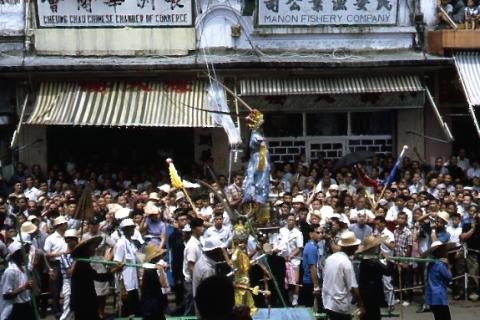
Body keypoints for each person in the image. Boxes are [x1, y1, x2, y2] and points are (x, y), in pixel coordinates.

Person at [70, 234, 123, 320]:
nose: (95, 249)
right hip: (83, 302)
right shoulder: (82, 264)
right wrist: (115, 269)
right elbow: (99, 277)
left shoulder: (85, 262)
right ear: (86, 250)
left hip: (84, 301)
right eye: (93, 247)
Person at [322, 231, 364, 320]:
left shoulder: (330, 258)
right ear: (351, 248)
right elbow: (353, 287)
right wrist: (360, 304)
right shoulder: (346, 263)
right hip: (339, 305)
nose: (357, 248)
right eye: (355, 247)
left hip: (328, 302)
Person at [357, 235, 390, 320]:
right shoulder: (373, 262)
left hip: (365, 292)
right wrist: (387, 260)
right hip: (373, 293)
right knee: (374, 315)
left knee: (368, 314)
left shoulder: (364, 261)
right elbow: (387, 272)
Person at [0, 241, 35, 320]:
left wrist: (30, 287)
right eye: (22, 252)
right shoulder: (10, 271)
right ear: (16, 255)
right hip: (16, 309)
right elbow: (6, 295)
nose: (26, 254)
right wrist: (24, 287)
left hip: (27, 306)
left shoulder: (24, 269)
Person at [114, 218, 141, 317]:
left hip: (133, 283)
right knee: (126, 312)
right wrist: (122, 287)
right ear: (124, 230)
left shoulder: (132, 243)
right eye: (129, 228)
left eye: (133, 228)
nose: (132, 230)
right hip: (125, 284)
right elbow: (118, 265)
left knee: (135, 311)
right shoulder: (121, 244)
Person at [44, 215, 68, 318]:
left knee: (67, 287)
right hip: (56, 264)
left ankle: (67, 309)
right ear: (59, 225)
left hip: (67, 264)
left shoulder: (68, 236)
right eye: (64, 224)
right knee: (56, 289)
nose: (66, 225)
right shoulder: (51, 238)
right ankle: (56, 310)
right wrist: (49, 269)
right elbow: (47, 255)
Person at [192, 237, 226, 311]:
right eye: (220, 250)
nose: (222, 253)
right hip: (207, 309)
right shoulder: (207, 270)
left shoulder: (202, 260)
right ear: (214, 251)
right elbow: (210, 294)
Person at [424, 241, 454, 320]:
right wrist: (448, 266)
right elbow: (449, 277)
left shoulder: (431, 264)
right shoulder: (440, 265)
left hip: (432, 297)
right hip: (439, 297)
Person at [278, 213, 303, 306]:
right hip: (283, 259)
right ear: (287, 221)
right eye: (289, 220)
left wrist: (291, 255)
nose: (291, 221)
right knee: (286, 281)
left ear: (295, 221)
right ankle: (288, 297)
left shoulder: (298, 233)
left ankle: (295, 298)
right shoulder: (282, 230)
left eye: (292, 220)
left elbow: (299, 247)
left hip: (294, 259)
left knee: (295, 281)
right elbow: (279, 243)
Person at [141, 244, 169, 320]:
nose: (161, 256)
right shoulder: (150, 270)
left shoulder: (149, 268)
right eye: (159, 255)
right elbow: (163, 284)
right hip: (152, 307)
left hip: (152, 305)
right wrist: (160, 270)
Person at [183, 218, 204, 315]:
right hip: (192, 283)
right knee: (190, 310)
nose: (202, 228)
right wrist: (196, 283)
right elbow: (191, 266)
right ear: (194, 229)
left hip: (196, 281)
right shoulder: (192, 245)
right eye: (200, 226)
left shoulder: (198, 242)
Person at [299, 224, 321, 310]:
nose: (320, 235)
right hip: (310, 282)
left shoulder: (312, 246)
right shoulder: (311, 248)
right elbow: (312, 267)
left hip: (309, 281)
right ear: (311, 234)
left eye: (321, 232)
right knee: (312, 310)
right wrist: (316, 286)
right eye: (318, 232)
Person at [59, 229, 79, 320]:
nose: (71, 241)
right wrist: (76, 260)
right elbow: (70, 272)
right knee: (68, 307)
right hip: (69, 283)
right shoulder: (64, 256)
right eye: (69, 239)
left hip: (79, 282)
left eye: (73, 239)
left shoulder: (80, 253)